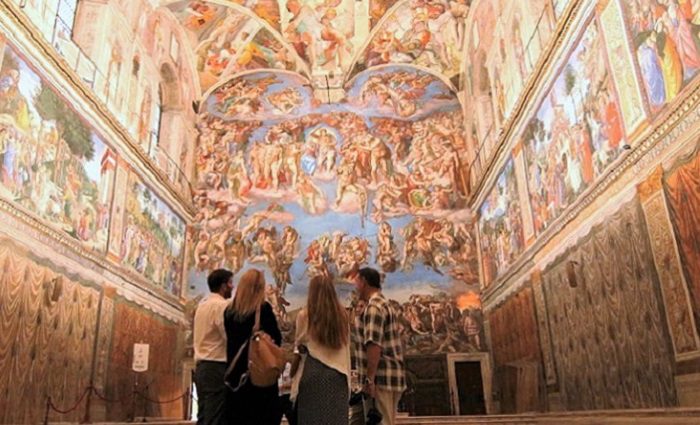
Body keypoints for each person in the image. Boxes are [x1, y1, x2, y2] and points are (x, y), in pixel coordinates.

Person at [224, 269, 282, 425]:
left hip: (236, 376)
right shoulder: (264, 310)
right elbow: (277, 340)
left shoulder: (229, 312)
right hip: (259, 375)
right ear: (260, 288)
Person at [292, 274, 351, 425]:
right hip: (338, 375)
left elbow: (299, 347)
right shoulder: (343, 315)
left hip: (313, 373)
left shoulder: (305, 315)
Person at [352, 267, 406, 425]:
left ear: (364, 282)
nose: (355, 287)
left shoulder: (374, 307)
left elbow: (374, 345)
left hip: (381, 378)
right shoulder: (384, 304)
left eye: (356, 282)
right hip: (386, 375)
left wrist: (369, 380)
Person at [193, 269, 234, 425]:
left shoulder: (201, 306)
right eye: (230, 283)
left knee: (203, 416)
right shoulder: (221, 306)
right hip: (216, 367)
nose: (232, 287)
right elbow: (227, 335)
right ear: (223, 286)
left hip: (201, 367)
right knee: (215, 418)